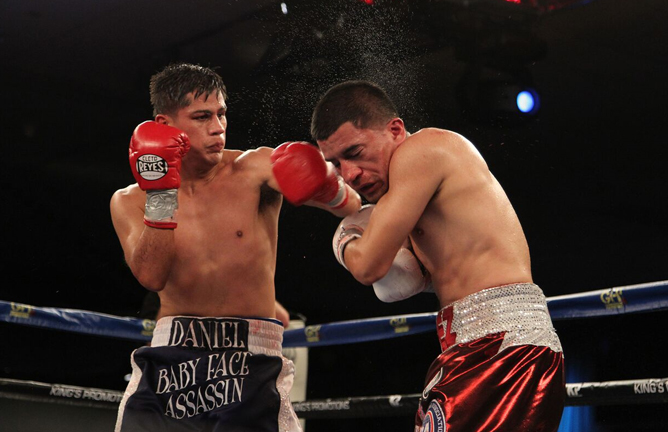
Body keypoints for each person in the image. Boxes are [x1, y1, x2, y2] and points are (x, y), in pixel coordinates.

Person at [110, 63, 360, 432]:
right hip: (171, 357)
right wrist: (161, 193)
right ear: (164, 125)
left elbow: (352, 206)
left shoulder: (255, 168)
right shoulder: (129, 199)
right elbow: (151, 275)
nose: (218, 127)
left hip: (251, 357)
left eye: (221, 113)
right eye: (201, 116)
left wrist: (326, 183)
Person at [312, 80, 565, 432]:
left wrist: (344, 240)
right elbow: (409, 281)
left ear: (395, 129)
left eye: (354, 152)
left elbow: (368, 265)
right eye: (335, 165)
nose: (349, 174)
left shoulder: (422, 150)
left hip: (500, 345)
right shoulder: (412, 195)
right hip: (481, 345)